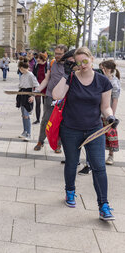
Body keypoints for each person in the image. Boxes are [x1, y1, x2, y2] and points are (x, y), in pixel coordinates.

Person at [52, 46, 118, 221]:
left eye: (85, 61)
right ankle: (70, 191)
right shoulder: (71, 78)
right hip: (70, 129)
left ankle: (103, 205)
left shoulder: (103, 81)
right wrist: (66, 75)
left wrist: (111, 117)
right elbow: (56, 95)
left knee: (99, 167)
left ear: (92, 59)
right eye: (78, 62)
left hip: (94, 130)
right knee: (72, 163)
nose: (82, 65)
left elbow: (105, 106)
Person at [34, 44, 68, 153]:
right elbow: (46, 79)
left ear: (65, 54)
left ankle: (58, 144)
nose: (57, 55)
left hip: (63, 98)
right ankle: (40, 141)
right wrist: (38, 89)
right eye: (56, 53)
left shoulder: (70, 66)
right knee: (45, 120)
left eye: (59, 54)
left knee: (60, 122)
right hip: (49, 96)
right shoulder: (52, 63)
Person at [101, 60, 120, 165]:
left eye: (103, 68)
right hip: (99, 112)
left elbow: (115, 100)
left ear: (109, 70)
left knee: (110, 135)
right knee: (100, 135)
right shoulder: (102, 79)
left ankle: (111, 155)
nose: (102, 70)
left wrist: (111, 115)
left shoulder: (114, 83)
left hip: (108, 114)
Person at [16, 59, 39, 141]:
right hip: (21, 94)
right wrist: (17, 98)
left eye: (20, 68)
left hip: (28, 95)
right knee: (23, 115)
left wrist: (33, 96)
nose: (19, 70)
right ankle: (25, 131)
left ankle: (29, 134)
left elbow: (37, 86)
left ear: (22, 67)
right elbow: (20, 87)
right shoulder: (22, 75)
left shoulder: (31, 75)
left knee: (26, 115)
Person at [32, 53, 49, 124]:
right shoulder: (36, 66)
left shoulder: (47, 66)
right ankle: (37, 119)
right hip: (37, 86)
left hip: (45, 87)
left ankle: (45, 119)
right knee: (37, 103)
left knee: (45, 104)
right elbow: (33, 76)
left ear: (42, 58)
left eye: (39, 58)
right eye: (37, 58)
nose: (37, 59)